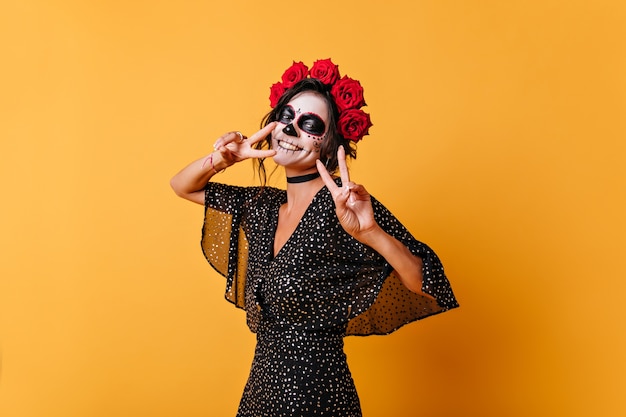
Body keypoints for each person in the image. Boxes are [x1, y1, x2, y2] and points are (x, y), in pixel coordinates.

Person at [170, 59, 458, 417]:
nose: (290, 129)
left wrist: (371, 234)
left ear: (330, 142)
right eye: (286, 116)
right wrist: (223, 158)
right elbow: (182, 186)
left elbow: (427, 284)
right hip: (262, 392)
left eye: (309, 124)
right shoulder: (263, 207)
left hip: (318, 396)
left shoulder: (346, 205)